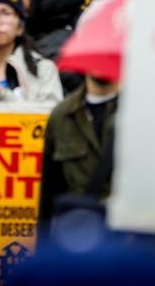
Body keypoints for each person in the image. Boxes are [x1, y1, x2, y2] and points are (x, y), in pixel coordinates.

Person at [39, 72, 121, 220]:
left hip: (129, 226)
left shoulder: (143, 113)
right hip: (79, 226)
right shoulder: (62, 115)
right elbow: (49, 191)